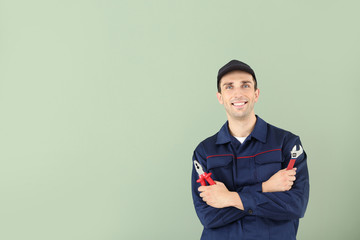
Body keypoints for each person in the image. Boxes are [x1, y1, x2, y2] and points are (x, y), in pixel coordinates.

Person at [191, 60, 310, 240]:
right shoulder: (204, 151)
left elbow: (295, 205)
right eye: (229, 87)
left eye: (245, 85)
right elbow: (209, 216)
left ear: (256, 94)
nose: (238, 93)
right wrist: (266, 187)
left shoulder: (287, 143)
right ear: (220, 97)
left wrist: (229, 198)